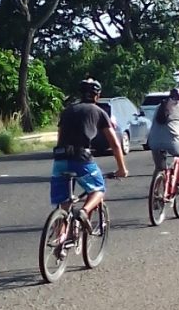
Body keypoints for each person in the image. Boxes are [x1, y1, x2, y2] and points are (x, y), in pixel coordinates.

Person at [52, 78, 128, 228]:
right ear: (97, 96)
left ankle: (60, 240)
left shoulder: (67, 111)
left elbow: (59, 137)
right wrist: (122, 168)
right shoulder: (99, 112)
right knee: (98, 189)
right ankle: (85, 212)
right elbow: (115, 144)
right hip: (81, 158)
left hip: (60, 158)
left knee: (64, 203)